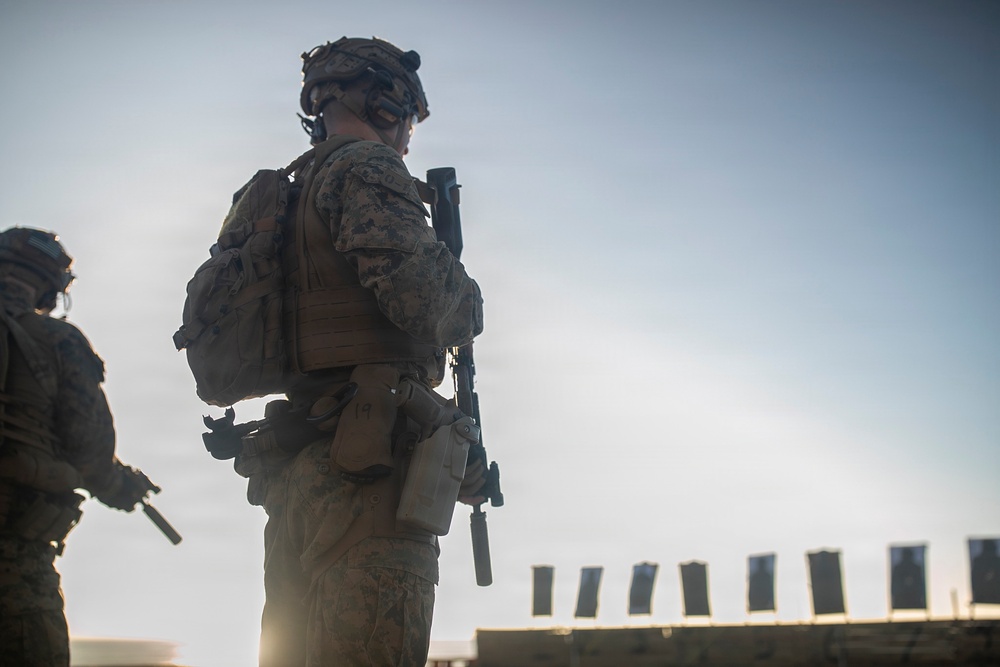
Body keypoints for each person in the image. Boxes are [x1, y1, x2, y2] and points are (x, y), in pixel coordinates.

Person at [228, 37, 485, 666]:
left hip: (301, 465)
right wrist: (469, 298)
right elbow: (428, 302)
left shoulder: (272, 201)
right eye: (409, 121)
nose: (406, 141)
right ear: (386, 101)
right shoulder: (365, 169)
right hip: (369, 474)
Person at [0, 226, 155, 667]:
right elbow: (90, 452)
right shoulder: (57, 339)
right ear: (50, 287)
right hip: (14, 561)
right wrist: (121, 487)